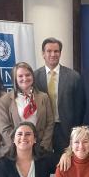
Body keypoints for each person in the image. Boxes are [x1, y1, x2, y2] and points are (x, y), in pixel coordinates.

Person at [33, 37, 85, 165]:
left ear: (60, 53)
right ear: (43, 53)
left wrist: (76, 130)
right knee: (41, 164)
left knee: (67, 163)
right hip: (43, 129)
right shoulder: (34, 77)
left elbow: (80, 106)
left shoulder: (73, 76)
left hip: (65, 128)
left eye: (56, 51)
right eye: (49, 51)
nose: (53, 54)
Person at [0, 61, 54, 157]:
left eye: (28, 75)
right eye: (20, 76)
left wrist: (41, 146)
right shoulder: (4, 101)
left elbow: (50, 123)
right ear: (15, 79)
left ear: (32, 76)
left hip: (40, 149)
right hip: (14, 151)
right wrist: (20, 146)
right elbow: (4, 129)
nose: (25, 78)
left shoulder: (43, 97)